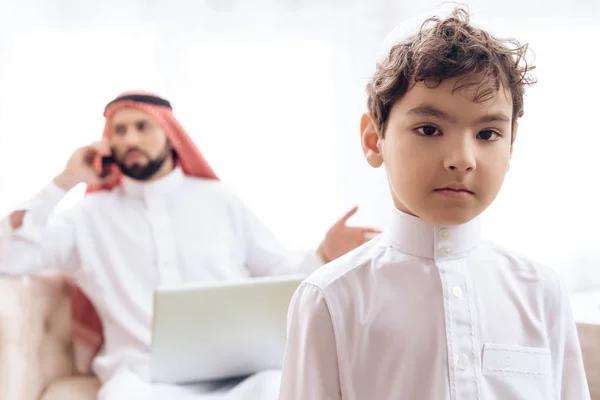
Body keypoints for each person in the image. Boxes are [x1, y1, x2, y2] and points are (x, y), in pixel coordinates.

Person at [279, 7, 590, 400]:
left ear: (511, 145)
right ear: (374, 141)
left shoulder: (542, 291)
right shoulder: (330, 298)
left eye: (488, 133)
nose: (462, 158)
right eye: (429, 129)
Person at [0, 91, 379, 400]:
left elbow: (275, 268)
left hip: (236, 374)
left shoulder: (218, 200)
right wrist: (64, 182)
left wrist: (323, 254)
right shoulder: (86, 216)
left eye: (141, 127)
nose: (129, 138)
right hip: (142, 380)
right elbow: (9, 255)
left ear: (170, 134)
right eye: (119, 130)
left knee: (275, 387)